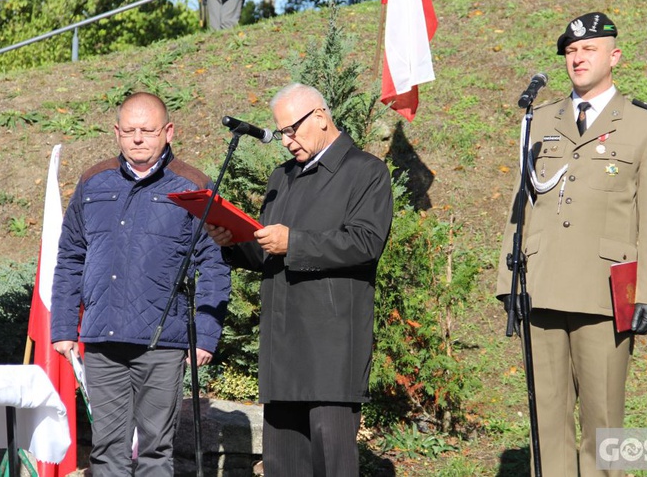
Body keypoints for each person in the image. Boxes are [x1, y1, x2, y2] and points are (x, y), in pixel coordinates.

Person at [496, 12, 647, 476]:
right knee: (546, 420)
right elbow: (523, 202)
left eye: (588, 49)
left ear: (614, 57)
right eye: (571, 51)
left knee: (603, 424)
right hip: (543, 284)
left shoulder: (643, 125)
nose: (577, 58)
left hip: (605, 293)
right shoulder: (542, 119)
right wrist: (507, 281)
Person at [205, 83, 393, 476]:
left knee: (332, 465)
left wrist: (295, 242)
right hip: (283, 345)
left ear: (321, 117)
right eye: (282, 133)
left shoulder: (366, 171)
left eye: (293, 129)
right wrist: (233, 242)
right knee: (283, 465)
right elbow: (267, 250)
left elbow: (365, 242)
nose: (287, 141)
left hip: (331, 349)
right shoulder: (282, 177)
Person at [50, 92, 231, 475]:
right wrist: (64, 327)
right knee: (107, 450)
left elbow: (214, 265)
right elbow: (69, 257)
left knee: (155, 451)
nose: (137, 139)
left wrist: (207, 334)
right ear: (116, 132)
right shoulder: (93, 182)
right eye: (129, 130)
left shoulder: (194, 186)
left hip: (162, 344)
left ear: (168, 132)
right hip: (102, 342)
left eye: (147, 131)